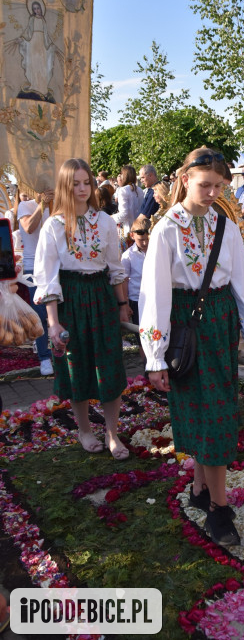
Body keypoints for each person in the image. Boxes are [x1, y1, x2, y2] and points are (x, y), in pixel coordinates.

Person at [139, 147, 244, 547]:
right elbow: (154, 295)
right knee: (210, 417)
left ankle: (199, 491)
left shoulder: (225, 226)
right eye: (204, 184)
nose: (212, 192)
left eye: (218, 185)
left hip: (222, 321)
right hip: (185, 326)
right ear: (184, 179)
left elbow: (242, 281)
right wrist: (154, 356)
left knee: (219, 410)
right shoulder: (166, 229)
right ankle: (219, 509)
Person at [33, 158, 130, 459]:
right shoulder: (53, 225)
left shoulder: (105, 222)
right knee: (77, 367)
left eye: (86, 181)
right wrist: (53, 323)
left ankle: (112, 433)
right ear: (65, 185)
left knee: (109, 365)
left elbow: (115, 267)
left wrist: (123, 305)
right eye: (75, 183)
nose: (82, 188)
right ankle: (85, 430)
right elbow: (48, 277)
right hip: (70, 299)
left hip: (101, 295)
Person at [18, 187, 55, 376]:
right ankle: (44, 357)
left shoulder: (55, 202)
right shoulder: (25, 205)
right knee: (40, 313)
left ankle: (62, 353)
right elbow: (28, 227)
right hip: (33, 266)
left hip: (55, 263)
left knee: (59, 312)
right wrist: (42, 205)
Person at [121, 217, 150, 360]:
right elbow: (124, 281)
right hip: (137, 299)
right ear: (132, 236)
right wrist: (125, 304)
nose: (144, 243)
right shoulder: (128, 257)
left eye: (146, 239)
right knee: (142, 336)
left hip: (154, 298)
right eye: (141, 240)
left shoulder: (154, 250)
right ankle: (146, 367)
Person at [111, 165, 144, 251]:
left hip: (127, 231)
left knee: (125, 258)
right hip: (138, 229)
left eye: (121, 174)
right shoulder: (140, 190)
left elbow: (124, 214)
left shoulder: (123, 190)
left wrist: (110, 217)